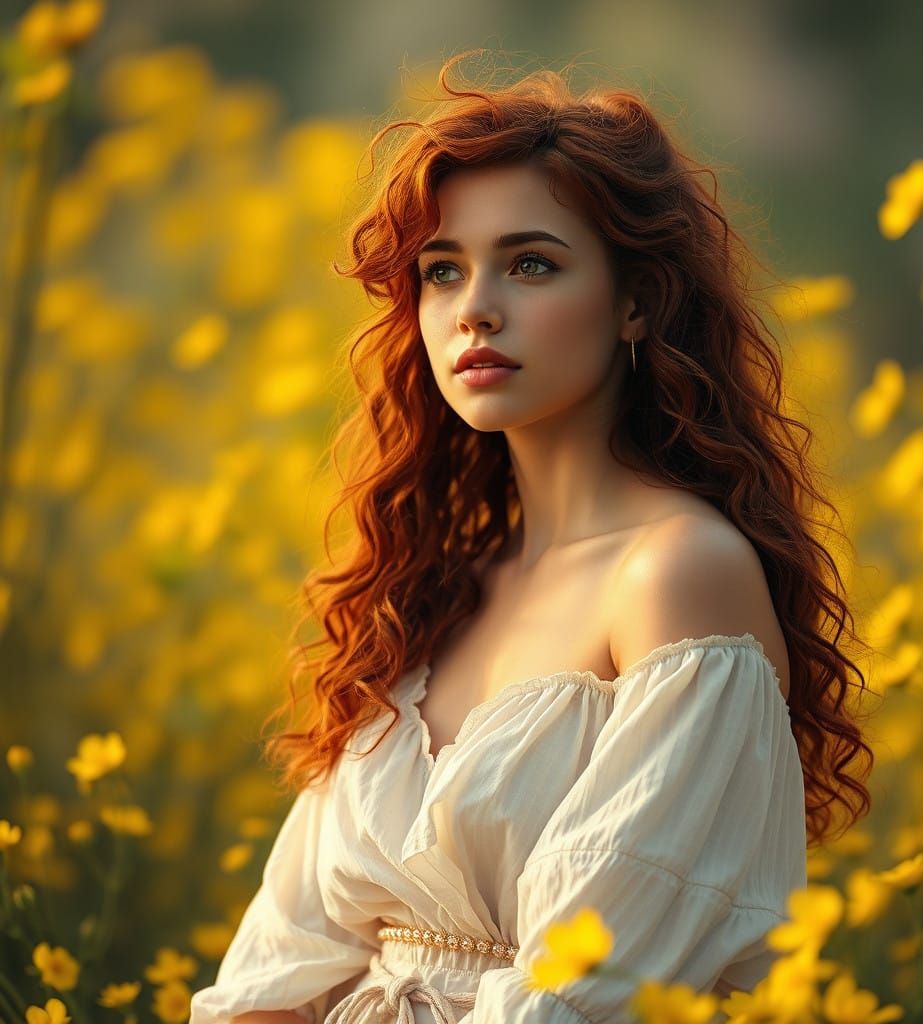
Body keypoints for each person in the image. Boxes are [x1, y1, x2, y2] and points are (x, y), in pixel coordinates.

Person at [190, 49, 873, 1024]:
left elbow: (582, 992)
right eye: (441, 271)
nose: (474, 309)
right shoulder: (428, 593)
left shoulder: (678, 574)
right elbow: (276, 968)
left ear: (635, 303)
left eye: (531, 263)